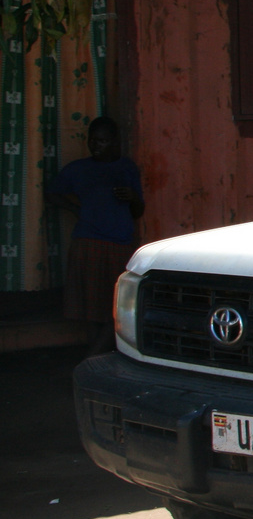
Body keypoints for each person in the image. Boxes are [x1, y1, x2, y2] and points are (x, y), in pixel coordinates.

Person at [45, 116, 143, 354]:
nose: (96, 146)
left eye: (103, 141)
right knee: (91, 311)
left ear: (114, 142)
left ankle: (92, 359)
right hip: (87, 243)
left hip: (119, 244)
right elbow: (52, 193)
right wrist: (74, 209)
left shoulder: (126, 168)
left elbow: (138, 212)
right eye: (93, 140)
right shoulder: (78, 169)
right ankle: (96, 359)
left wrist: (132, 197)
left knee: (118, 307)